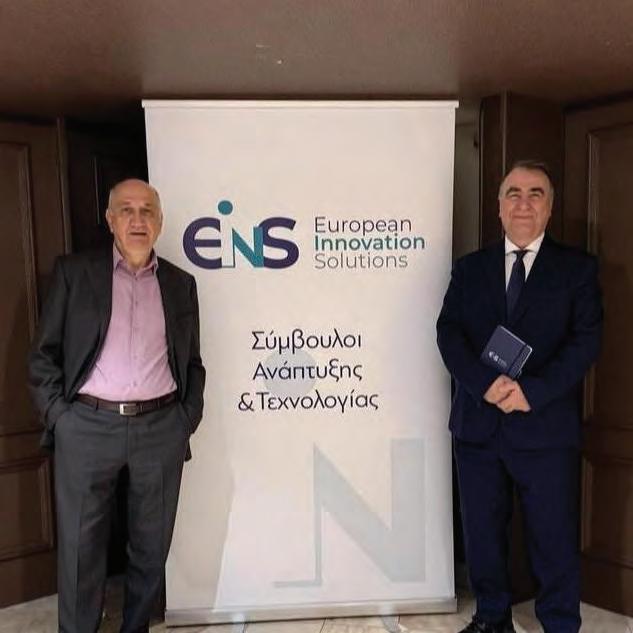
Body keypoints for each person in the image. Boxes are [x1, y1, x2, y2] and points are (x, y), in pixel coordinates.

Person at [29, 179, 205, 633]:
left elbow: (192, 361)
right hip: (87, 427)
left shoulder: (180, 284)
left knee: (151, 547)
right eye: (126, 210)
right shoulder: (75, 273)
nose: (137, 219)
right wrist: (61, 419)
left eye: (147, 211)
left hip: (161, 428)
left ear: (160, 221)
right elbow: (44, 355)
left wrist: (185, 419)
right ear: (110, 220)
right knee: (80, 549)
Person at [437, 161, 602, 633]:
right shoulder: (469, 269)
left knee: (553, 537)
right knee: (483, 536)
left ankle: (559, 624)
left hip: (544, 427)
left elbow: (586, 342)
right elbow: (448, 333)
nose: (523, 203)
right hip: (478, 426)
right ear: (499, 206)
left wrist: (532, 392)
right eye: (513, 193)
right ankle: (491, 620)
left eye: (535, 194)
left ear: (549, 208)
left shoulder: (576, 270)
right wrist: (483, 384)